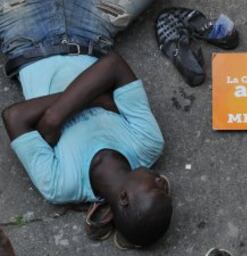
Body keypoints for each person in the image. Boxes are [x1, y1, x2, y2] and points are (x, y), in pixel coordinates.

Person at [0, 0, 172, 250]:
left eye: (157, 191)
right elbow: (114, 64)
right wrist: (53, 118)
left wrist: (95, 96)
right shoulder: (148, 145)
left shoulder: (61, 185)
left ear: (124, 199)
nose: (162, 183)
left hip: (24, 31)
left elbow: (14, 117)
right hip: (93, 26)